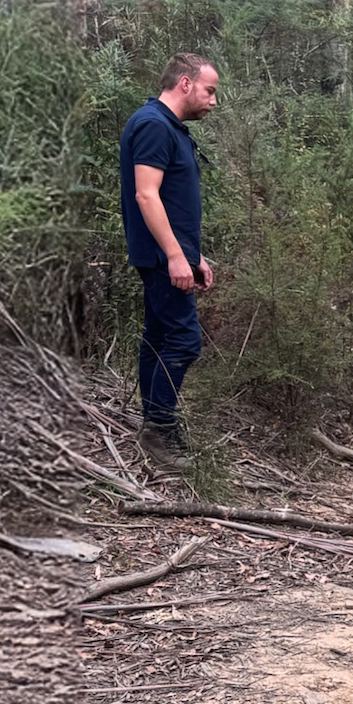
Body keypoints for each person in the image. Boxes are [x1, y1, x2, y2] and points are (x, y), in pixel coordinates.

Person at [120, 53, 220, 459]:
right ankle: (159, 431)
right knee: (183, 340)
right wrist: (176, 257)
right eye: (209, 91)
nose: (213, 101)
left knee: (160, 338)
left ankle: (155, 422)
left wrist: (193, 255)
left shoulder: (166, 126)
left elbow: (173, 200)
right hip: (163, 258)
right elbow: (147, 194)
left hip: (170, 254)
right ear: (185, 84)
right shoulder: (153, 125)